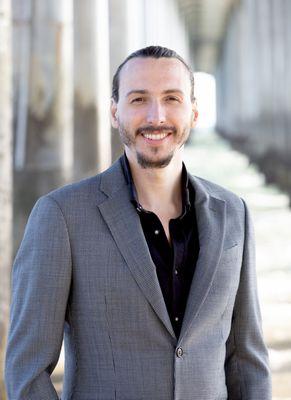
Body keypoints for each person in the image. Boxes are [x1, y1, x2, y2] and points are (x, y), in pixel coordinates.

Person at [5, 45, 272, 400]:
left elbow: (247, 361)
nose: (156, 115)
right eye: (138, 99)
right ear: (115, 112)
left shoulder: (234, 213)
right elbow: (26, 373)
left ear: (193, 111)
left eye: (172, 98)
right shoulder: (61, 216)